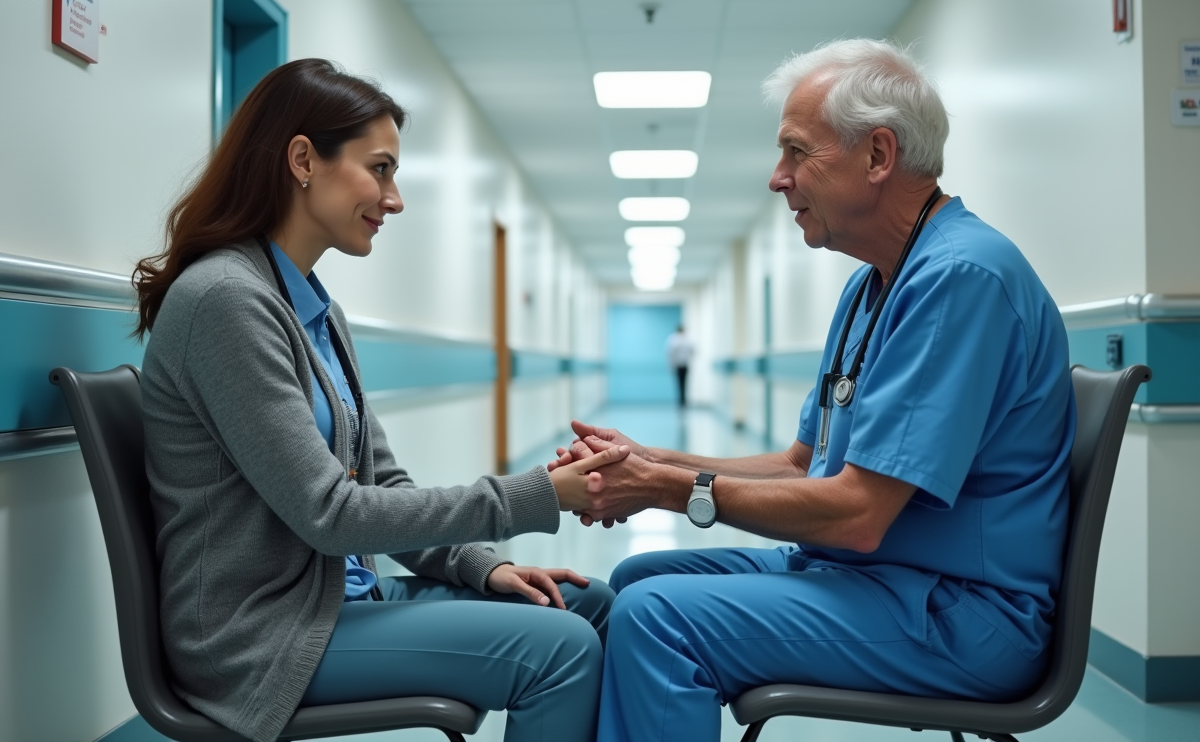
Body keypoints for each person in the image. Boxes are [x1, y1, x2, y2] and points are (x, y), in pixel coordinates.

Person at [552, 39, 1075, 742]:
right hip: (880, 576)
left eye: (797, 152)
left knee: (657, 618)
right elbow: (805, 464)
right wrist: (650, 461)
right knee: (640, 578)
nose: (778, 178)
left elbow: (858, 515)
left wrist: (669, 491)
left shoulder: (962, 279)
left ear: (878, 155)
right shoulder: (874, 284)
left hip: (961, 612)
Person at [134, 59, 627, 742]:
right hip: (261, 636)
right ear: (303, 159)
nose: (394, 200)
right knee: (562, 649)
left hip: (334, 598)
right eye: (381, 169)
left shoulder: (315, 309)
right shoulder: (225, 302)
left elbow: (383, 484)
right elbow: (332, 516)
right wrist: (543, 493)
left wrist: (488, 566)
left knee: (587, 604)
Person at [665, 325, 694, 406]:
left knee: (684, 382)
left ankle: (683, 400)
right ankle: (681, 400)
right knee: (680, 382)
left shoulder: (688, 339)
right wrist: (672, 365)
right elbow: (670, 353)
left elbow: (692, 350)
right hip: (678, 364)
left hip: (685, 364)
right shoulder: (673, 339)